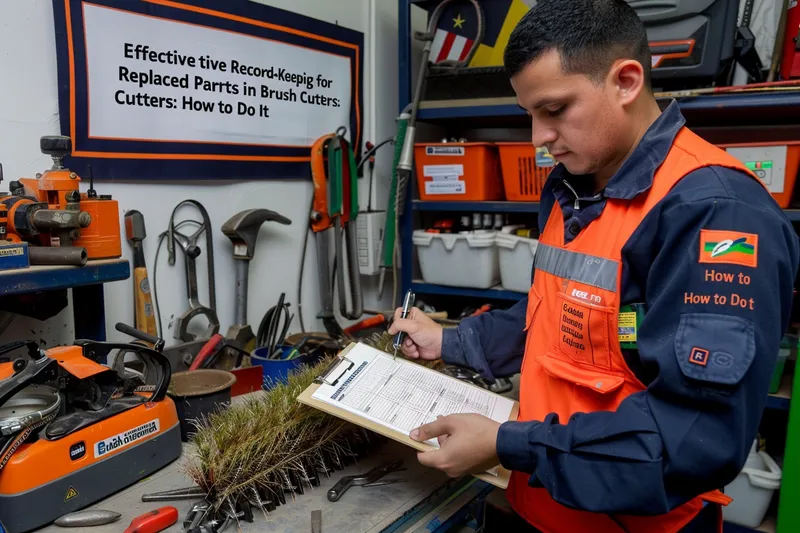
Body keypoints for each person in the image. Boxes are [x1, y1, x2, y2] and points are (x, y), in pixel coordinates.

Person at [388, 0, 800, 531]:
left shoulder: (714, 215)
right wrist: (452, 341)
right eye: (529, 114)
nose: (538, 138)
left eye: (555, 110)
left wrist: (507, 443)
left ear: (626, 81)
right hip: (540, 501)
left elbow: (692, 439)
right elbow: (560, 314)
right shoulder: (573, 186)